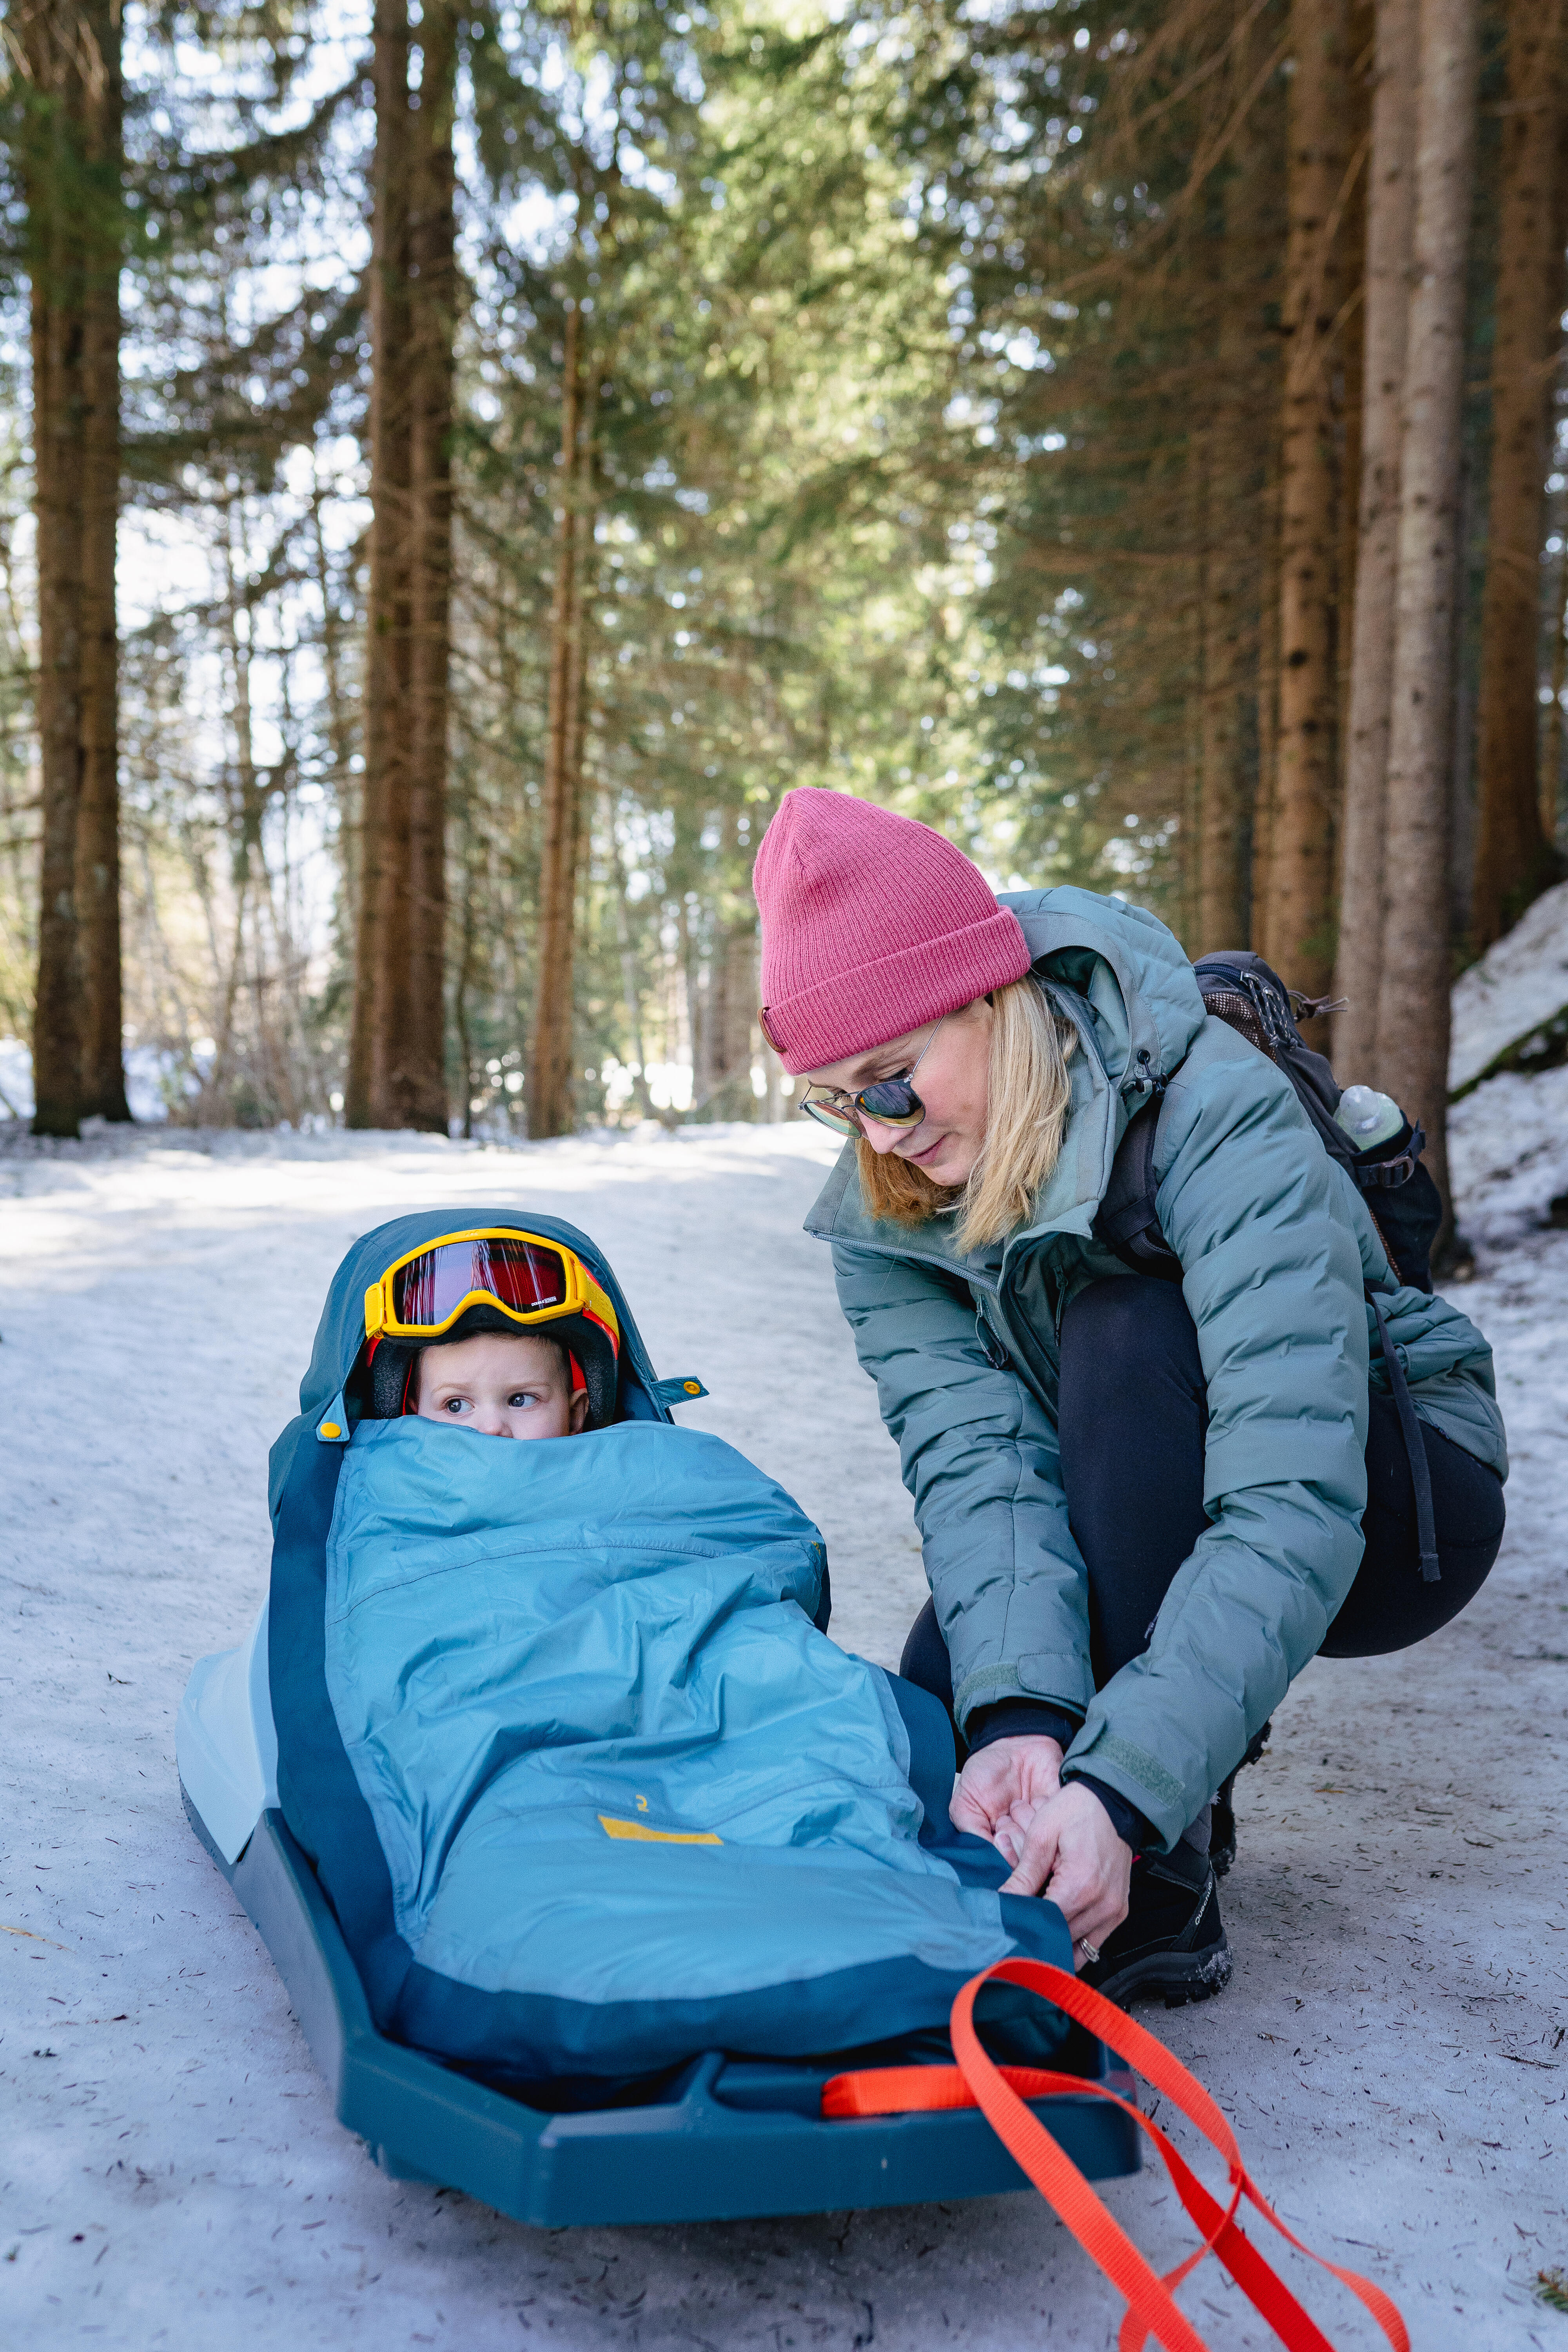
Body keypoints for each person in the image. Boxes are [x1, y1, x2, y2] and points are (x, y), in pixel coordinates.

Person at [752, 788, 1507, 2007]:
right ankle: (1102, 1774)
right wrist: (1022, 1719)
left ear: (990, 997)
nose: (878, 1136)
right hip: (1129, 1489)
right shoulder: (882, 1217)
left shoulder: (1215, 1113)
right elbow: (983, 1471)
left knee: (1121, 1323)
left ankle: (1161, 1864)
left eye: (892, 1079)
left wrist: (1121, 1790)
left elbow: (1294, 1496)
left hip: (1392, 1500)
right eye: (837, 1101)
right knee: (953, 1712)